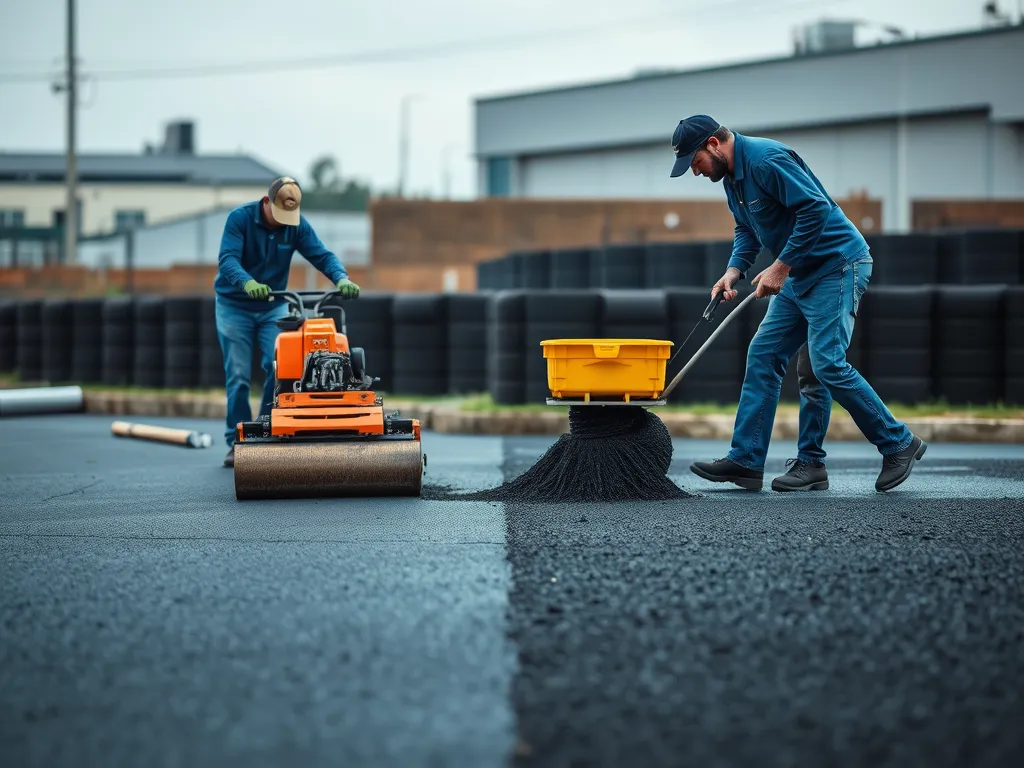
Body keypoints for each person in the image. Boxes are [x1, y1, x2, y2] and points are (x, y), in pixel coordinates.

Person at [669, 115, 926, 493]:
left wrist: (780, 268)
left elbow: (816, 210)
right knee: (764, 353)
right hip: (800, 270)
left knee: (825, 365)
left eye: (695, 163)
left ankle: (898, 443)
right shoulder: (731, 179)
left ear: (713, 144)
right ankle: (747, 460)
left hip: (837, 265)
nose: (695, 172)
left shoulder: (766, 160)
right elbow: (746, 228)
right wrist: (734, 271)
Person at [213, 176, 360, 467]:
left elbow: (321, 255)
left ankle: (266, 427)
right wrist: (247, 282)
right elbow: (228, 260)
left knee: (281, 367)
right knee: (239, 376)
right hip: (234, 306)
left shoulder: (296, 225)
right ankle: (238, 441)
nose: (283, 222)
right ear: (266, 202)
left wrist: (341, 277)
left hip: (273, 306)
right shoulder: (239, 219)